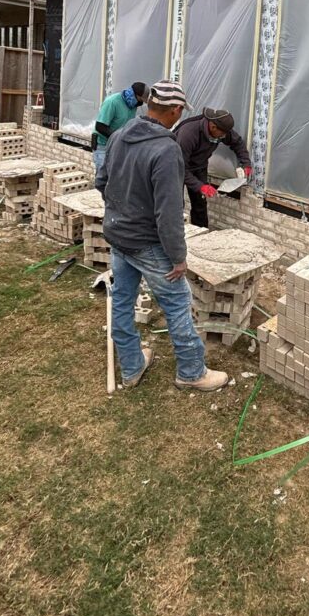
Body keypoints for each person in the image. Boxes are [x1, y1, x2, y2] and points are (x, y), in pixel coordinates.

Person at [95, 79, 227, 392]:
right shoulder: (166, 150)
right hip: (148, 244)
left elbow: (102, 182)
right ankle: (191, 372)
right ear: (176, 110)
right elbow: (168, 213)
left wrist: (123, 212)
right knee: (178, 304)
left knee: (122, 302)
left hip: (119, 237)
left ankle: (132, 366)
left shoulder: (119, 135)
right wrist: (178, 258)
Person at [174, 107, 252, 228]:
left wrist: (246, 163)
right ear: (213, 127)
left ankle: (201, 232)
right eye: (222, 134)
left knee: (200, 203)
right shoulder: (188, 134)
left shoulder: (222, 130)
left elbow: (237, 143)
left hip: (199, 167)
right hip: (177, 167)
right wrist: (200, 186)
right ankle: (177, 233)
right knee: (176, 204)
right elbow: (180, 168)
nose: (224, 136)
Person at [91, 82, 149, 170]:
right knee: (102, 175)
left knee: (115, 174)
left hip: (117, 145)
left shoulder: (133, 105)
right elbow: (100, 126)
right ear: (134, 95)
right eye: (141, 100)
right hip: (102, 146)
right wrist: (119, 137)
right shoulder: (112, 102)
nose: (141, 103)